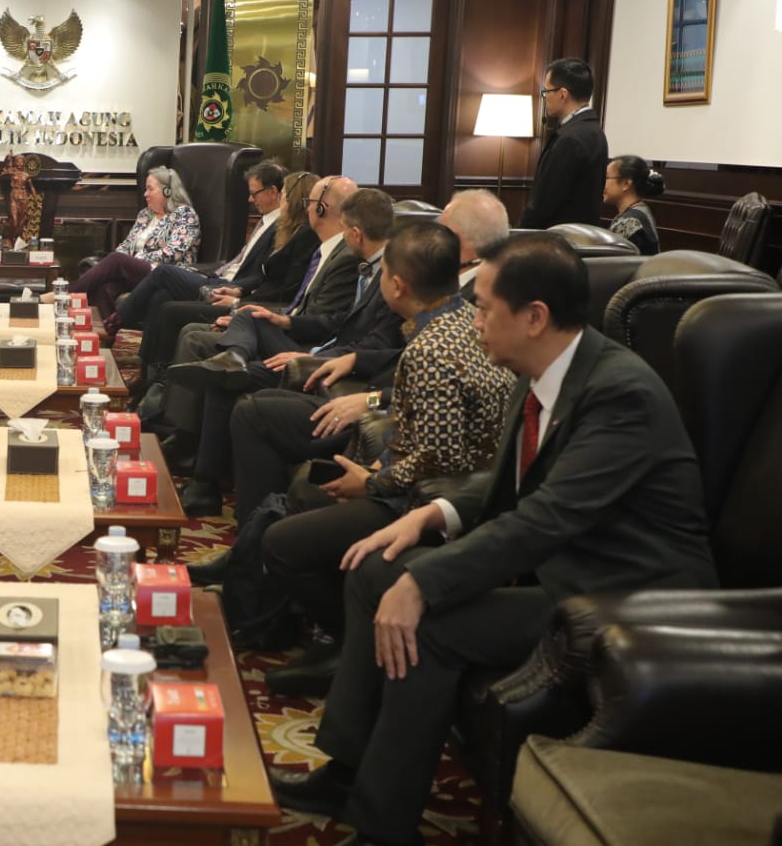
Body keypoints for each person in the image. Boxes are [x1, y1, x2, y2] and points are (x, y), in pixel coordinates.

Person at [271, 231, 715, 846]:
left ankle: (382, 825)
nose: (472, 320)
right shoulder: (540, 370)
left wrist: (424, 581)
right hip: (557, 566)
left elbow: (546, 517)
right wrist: (433, 515)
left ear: (534, 317)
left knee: (426, 621)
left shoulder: (620, 394)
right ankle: (346, 770)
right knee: (376, 568)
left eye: (482, 307)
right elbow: (511, 484)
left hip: (617, 592)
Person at [250, 222, 513, 696]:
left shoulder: (430, 349)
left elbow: (439, 458)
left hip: (429, 503)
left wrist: (373, 481)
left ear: (397, 285)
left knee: (280, 542)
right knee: (308, 489)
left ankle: (349, 643)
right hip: (450, 486)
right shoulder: (463, 320)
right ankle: (319, 631)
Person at [171, 188, 403, 515]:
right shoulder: (370, 265)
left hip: (331, 369)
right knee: (251, 316)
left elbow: (377, 346)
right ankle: (233, 356)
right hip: (320, 350)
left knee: (225, 379)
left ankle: (204, 485)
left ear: (355, 233)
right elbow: (340, 320)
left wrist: (314, 358)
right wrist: (287, 322)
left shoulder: (394, 274)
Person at [129, 169, 321, 392]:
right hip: (236, 290)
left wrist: (239, 300)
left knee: (167, 290)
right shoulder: (288, 232)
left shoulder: (302, 235)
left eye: (285, 195)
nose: (281, 200)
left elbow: (284, 290)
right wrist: (238, 292)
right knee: (161, 298)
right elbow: (265, 279)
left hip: (256, 306)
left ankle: (150, 364)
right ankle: (150, 376)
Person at [69, 166, 202, 318]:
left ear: (167, 191)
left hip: (167, 273)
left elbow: (174, 252)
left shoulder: (185, 214)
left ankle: (66, 295)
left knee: (116, 259)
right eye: (145, 189)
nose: (145, 194)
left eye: (150, 189)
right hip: (139, 272)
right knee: (106, 288)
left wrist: (135, 259)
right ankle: (107, 330)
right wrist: (127, 260)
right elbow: (127, 244)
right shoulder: (145, 214)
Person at [519, 57, 609, 229]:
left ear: (562, 94)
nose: (545, 98)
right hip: (581, 234)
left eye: (546, 92)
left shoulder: (571, 138)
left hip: (557, 236)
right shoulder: (595, 132)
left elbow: (544, 202)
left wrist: (518, 234)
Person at [436, 188, 510, 298]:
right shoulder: (509, 282)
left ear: (454, 241)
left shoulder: (474, 299)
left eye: (439, 233)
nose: (434, 239)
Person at [604, 154, 664, 255]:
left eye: (607, 178)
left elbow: (606, 259)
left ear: (626, 184)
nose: (602, 183)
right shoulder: (640, 210)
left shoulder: (630, 221)